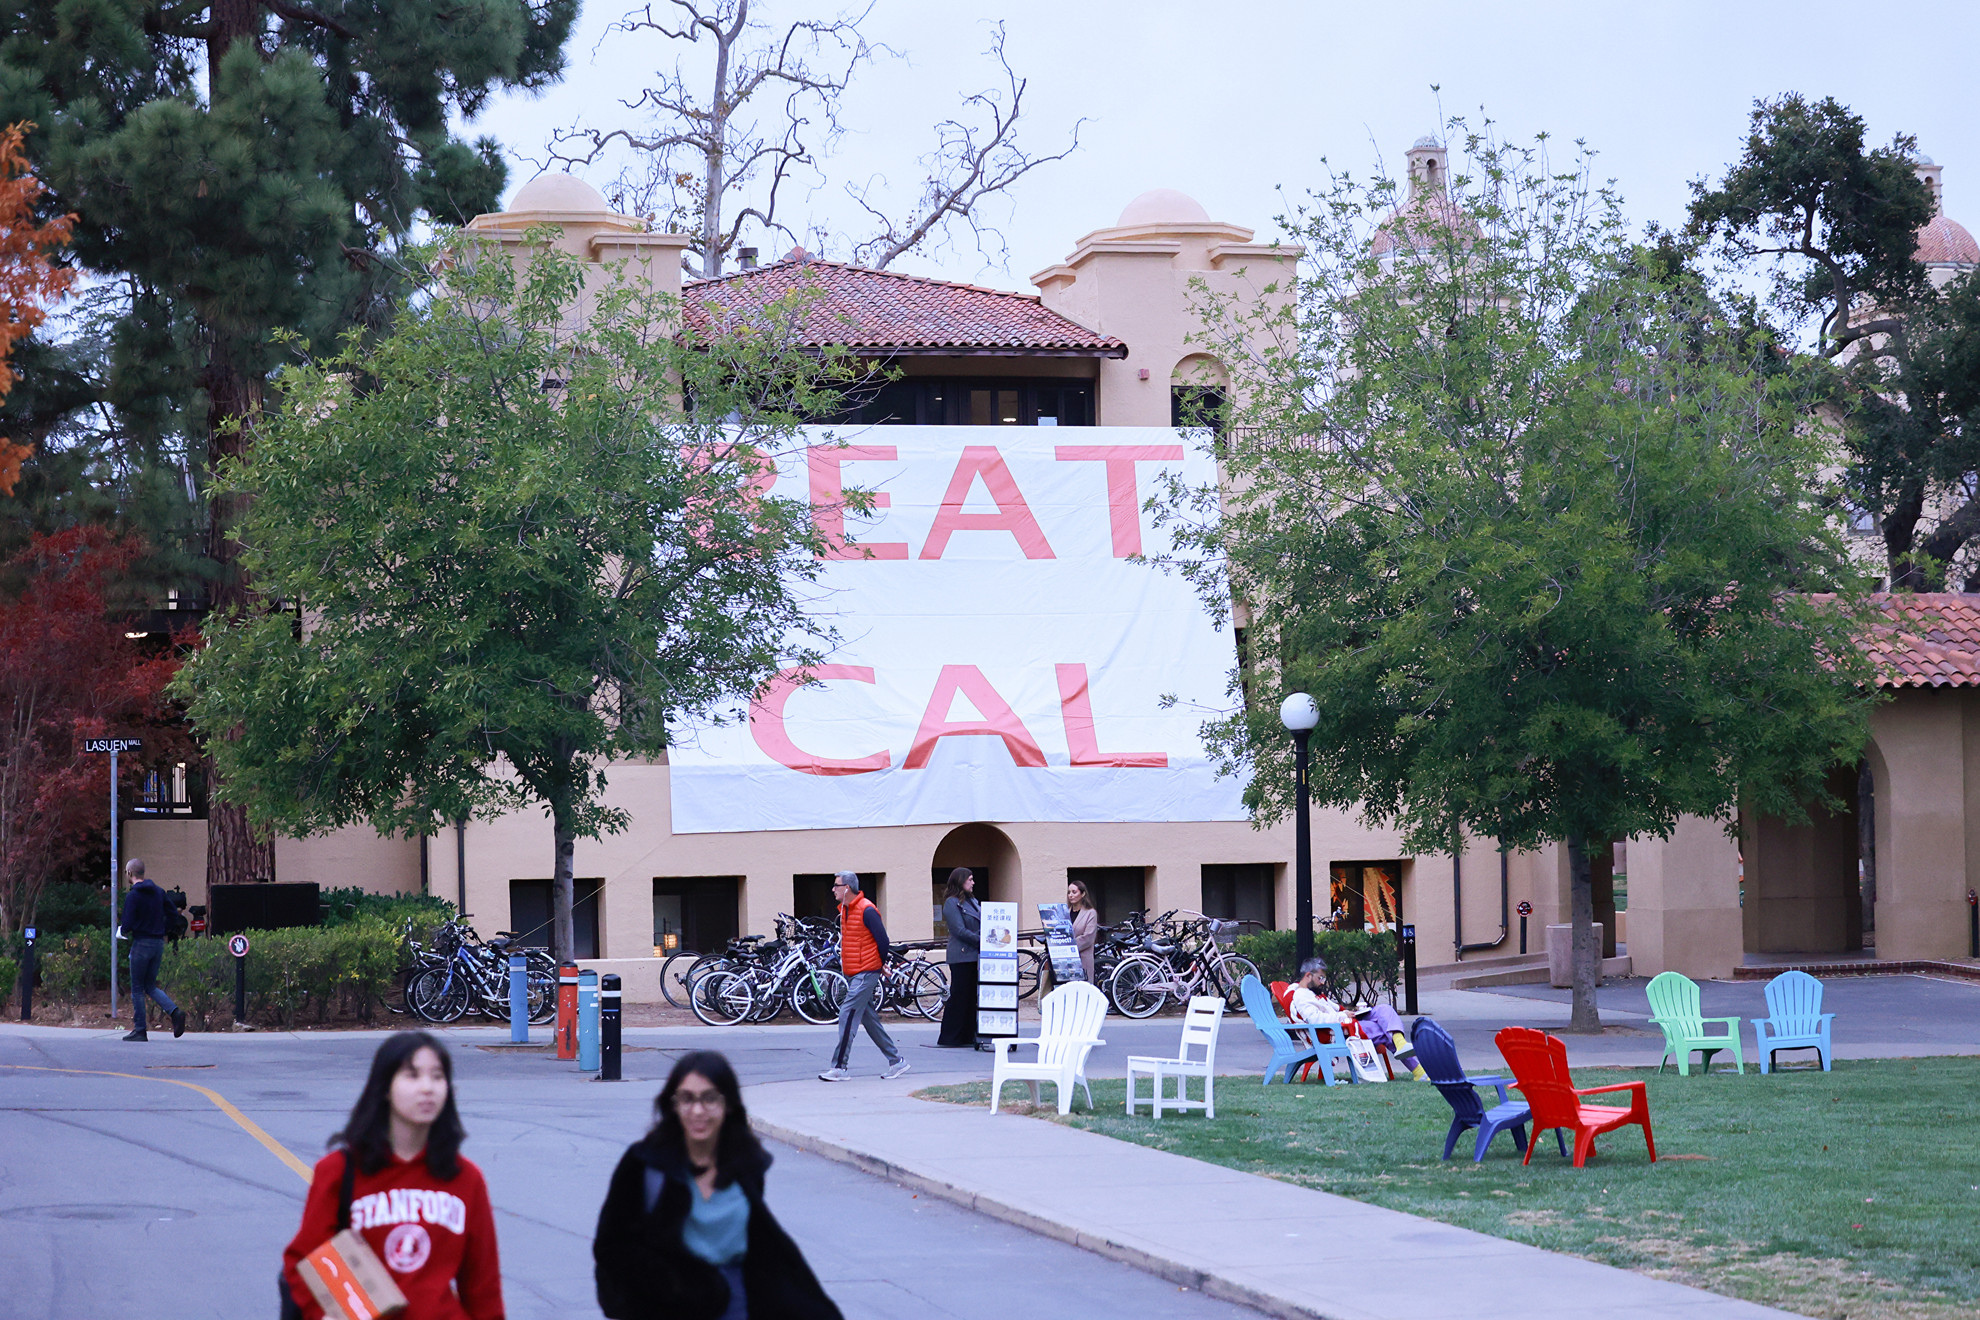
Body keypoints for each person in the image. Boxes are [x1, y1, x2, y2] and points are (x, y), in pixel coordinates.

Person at [594, 1051, 841, 1320]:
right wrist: (673, 1287)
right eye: (687, 1099)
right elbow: (611, 1246)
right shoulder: (645, 1164)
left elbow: (765, 1251)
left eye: (709, 1098)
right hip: (667, 1306)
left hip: (735, 1304)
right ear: (673, 1104)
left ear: (728, 1104)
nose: (697, 1111)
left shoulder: (745, 1165)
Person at [281, 1032, 503, 1320]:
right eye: (412, 1076)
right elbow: (303, 1262)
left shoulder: (465, 1178)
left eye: (437, 1077)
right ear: (385, 1087)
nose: (428, 1088)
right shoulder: (339, 1171)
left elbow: (483, 1288)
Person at [818, 872, 908, 1082]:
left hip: (865, 972)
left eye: (836, 885)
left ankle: (839, 1067)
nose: (833, 889)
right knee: (869, 1019)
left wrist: (880, 964)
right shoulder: (846, 910)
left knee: (847, 1014)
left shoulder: (866, 909)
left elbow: (883, 940)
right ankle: (897, 1061)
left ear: (847, 888)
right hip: (854, 972)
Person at [117, 858, 184, 1041]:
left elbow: (127, 922)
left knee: (137, 988)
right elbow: (172, 914)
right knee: (150, 985)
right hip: (157, 943)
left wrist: (122, 931)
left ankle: (140, 1030)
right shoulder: (159, 892)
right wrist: (164, 929)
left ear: (130, 873)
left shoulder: (133, 896)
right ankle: (175, 1012)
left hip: (141, 943)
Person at [935, 868, 981, 1048]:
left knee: (971, 996)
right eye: (970, 879)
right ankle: (950, 1036)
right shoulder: (951, 903)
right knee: (959, 995)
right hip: (961, 955)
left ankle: (967, 1034)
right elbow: (958, 930)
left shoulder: (973, 902)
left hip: (974, 954)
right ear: (961, 881)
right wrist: (982, 940)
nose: (973, 882)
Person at [1066, 878, 1099, 985]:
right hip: (1065, 962)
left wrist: (1067, 946)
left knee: (1082, 992)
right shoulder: (1064, 913)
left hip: (1082, 960)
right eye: (1069, 892)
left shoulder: (1090, 913)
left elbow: (1088, 938)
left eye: (1074, 892)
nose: (1070, 895)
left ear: (1083, 894)